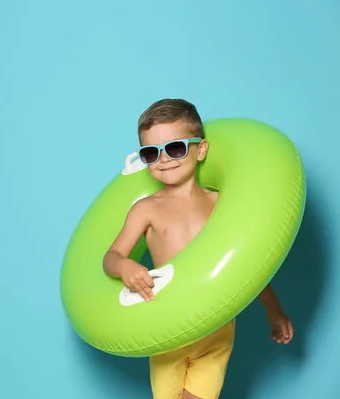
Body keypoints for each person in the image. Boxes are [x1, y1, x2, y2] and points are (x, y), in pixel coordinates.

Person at [102, 98, 294, 399]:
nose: (164, 159)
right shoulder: (146, 210)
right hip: (168, 328)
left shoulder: (221, 205)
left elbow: (246, 265)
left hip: (216, 329)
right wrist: (125, 266)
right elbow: (111, 258)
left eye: (175, 148)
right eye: (152, 153)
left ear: (200, 149)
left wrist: (274, 310)